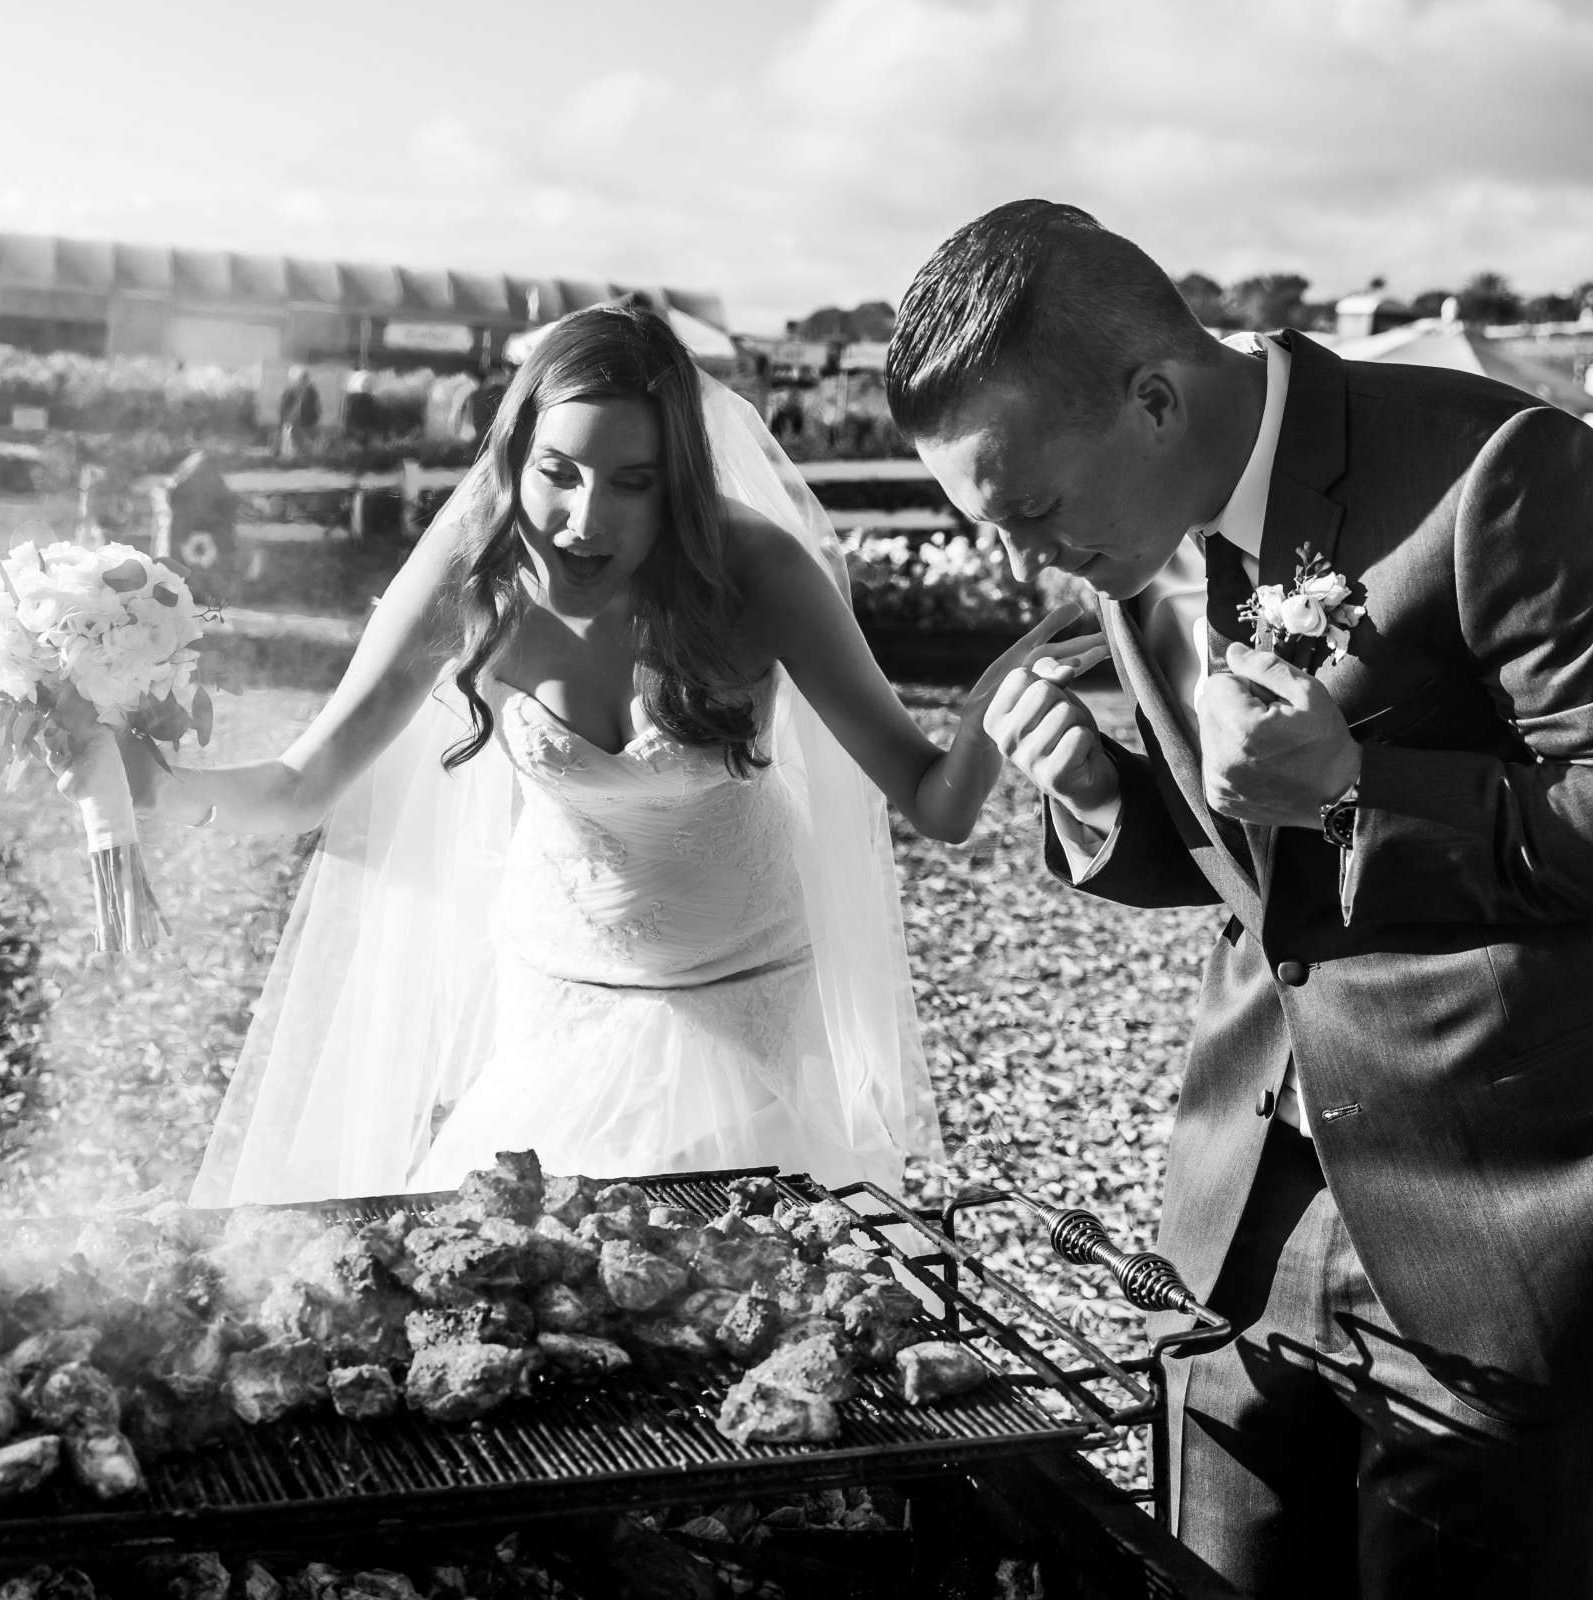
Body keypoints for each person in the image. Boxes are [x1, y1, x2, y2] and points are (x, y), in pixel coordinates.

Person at [884, 199, 1593, 1597]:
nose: (1026, 562)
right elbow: (1256, 872)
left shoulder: (1507, 471)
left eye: (1033, 512)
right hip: (1241, 1221)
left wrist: (1355, 785)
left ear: (1153, 399)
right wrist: (1103, 802)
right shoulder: (1133, 539)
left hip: (1499, 1218)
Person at [66, 303, 1096, 1204]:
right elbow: (303, 783)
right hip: (557, 1004)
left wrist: (988, 719)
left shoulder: (759, 571)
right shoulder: (475, 573)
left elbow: (936, 800)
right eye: (556, 473)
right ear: (514, 457)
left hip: (744, 1009)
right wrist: (151, 783)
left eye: (632, 482)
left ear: (678, 485)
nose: (584, 518)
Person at [276, 366, 321, 460]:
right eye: (302, 378)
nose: (304, 381)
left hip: (305, 421)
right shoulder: (290, 391)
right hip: (291, 420)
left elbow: (316, 406)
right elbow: (283, 408)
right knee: (291, 439)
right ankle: (290, 454)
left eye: (305, 378)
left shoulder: (311, 391)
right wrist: (284, 419)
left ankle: (302, 453)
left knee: (304, 441)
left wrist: (315, 418)